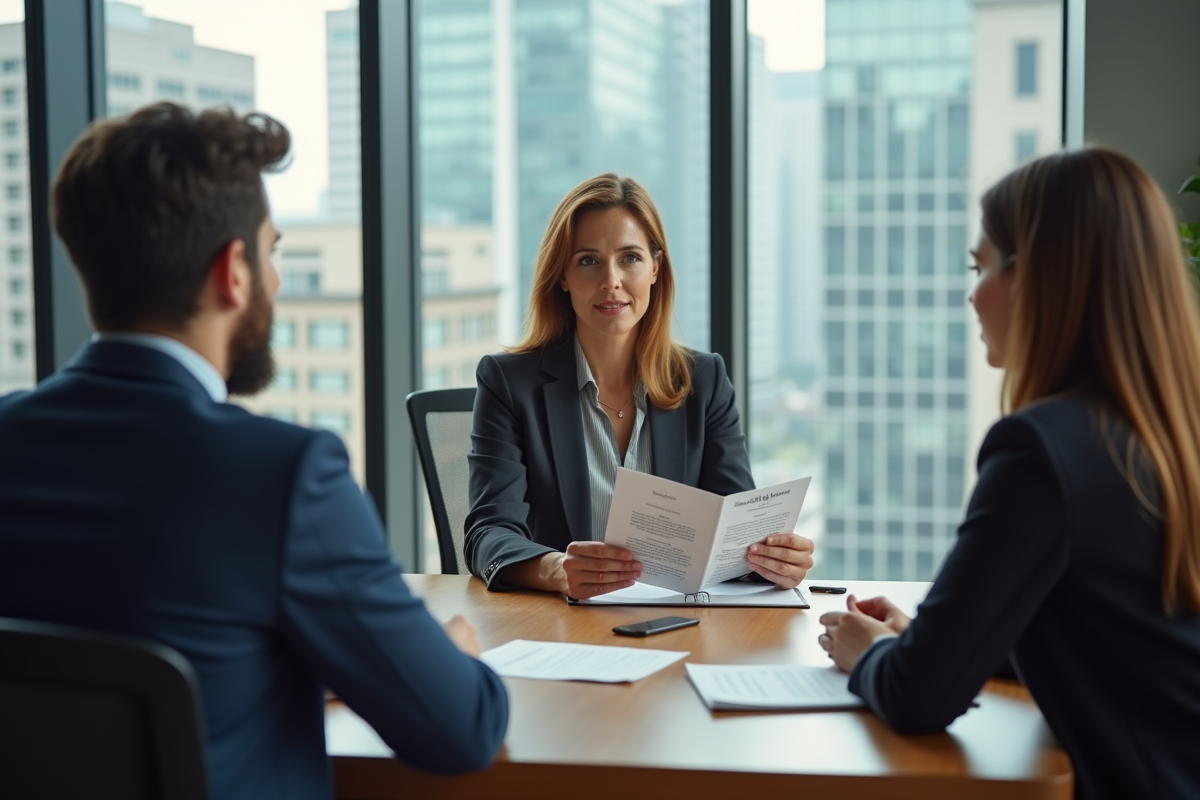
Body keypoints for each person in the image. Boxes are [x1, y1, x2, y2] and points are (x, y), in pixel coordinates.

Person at [0, 103, 508, 800]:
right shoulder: (286, 475)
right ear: (233, 271)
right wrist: (454, 654)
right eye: (272, 252)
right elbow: (462, 730)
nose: (274, 279)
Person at [818, 148, 1200, 799]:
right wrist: (932, 640)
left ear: (1036, 278)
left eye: (981, 266)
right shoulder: (1168, 429)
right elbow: (1116, 634)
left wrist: (870, 654)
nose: (973, 294)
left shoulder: (1039, 450)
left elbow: (916, 700)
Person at [465, 173, 814, 598]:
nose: (611, 280)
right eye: (588, 261)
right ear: (562, 276)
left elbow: (732, 532)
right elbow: (488, 533)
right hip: (562, 625)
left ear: (654, 269)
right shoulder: (508, 382)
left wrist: (773, 560)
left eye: (629, 258)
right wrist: (556, 569)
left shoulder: (703, 381)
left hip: (679, 624)